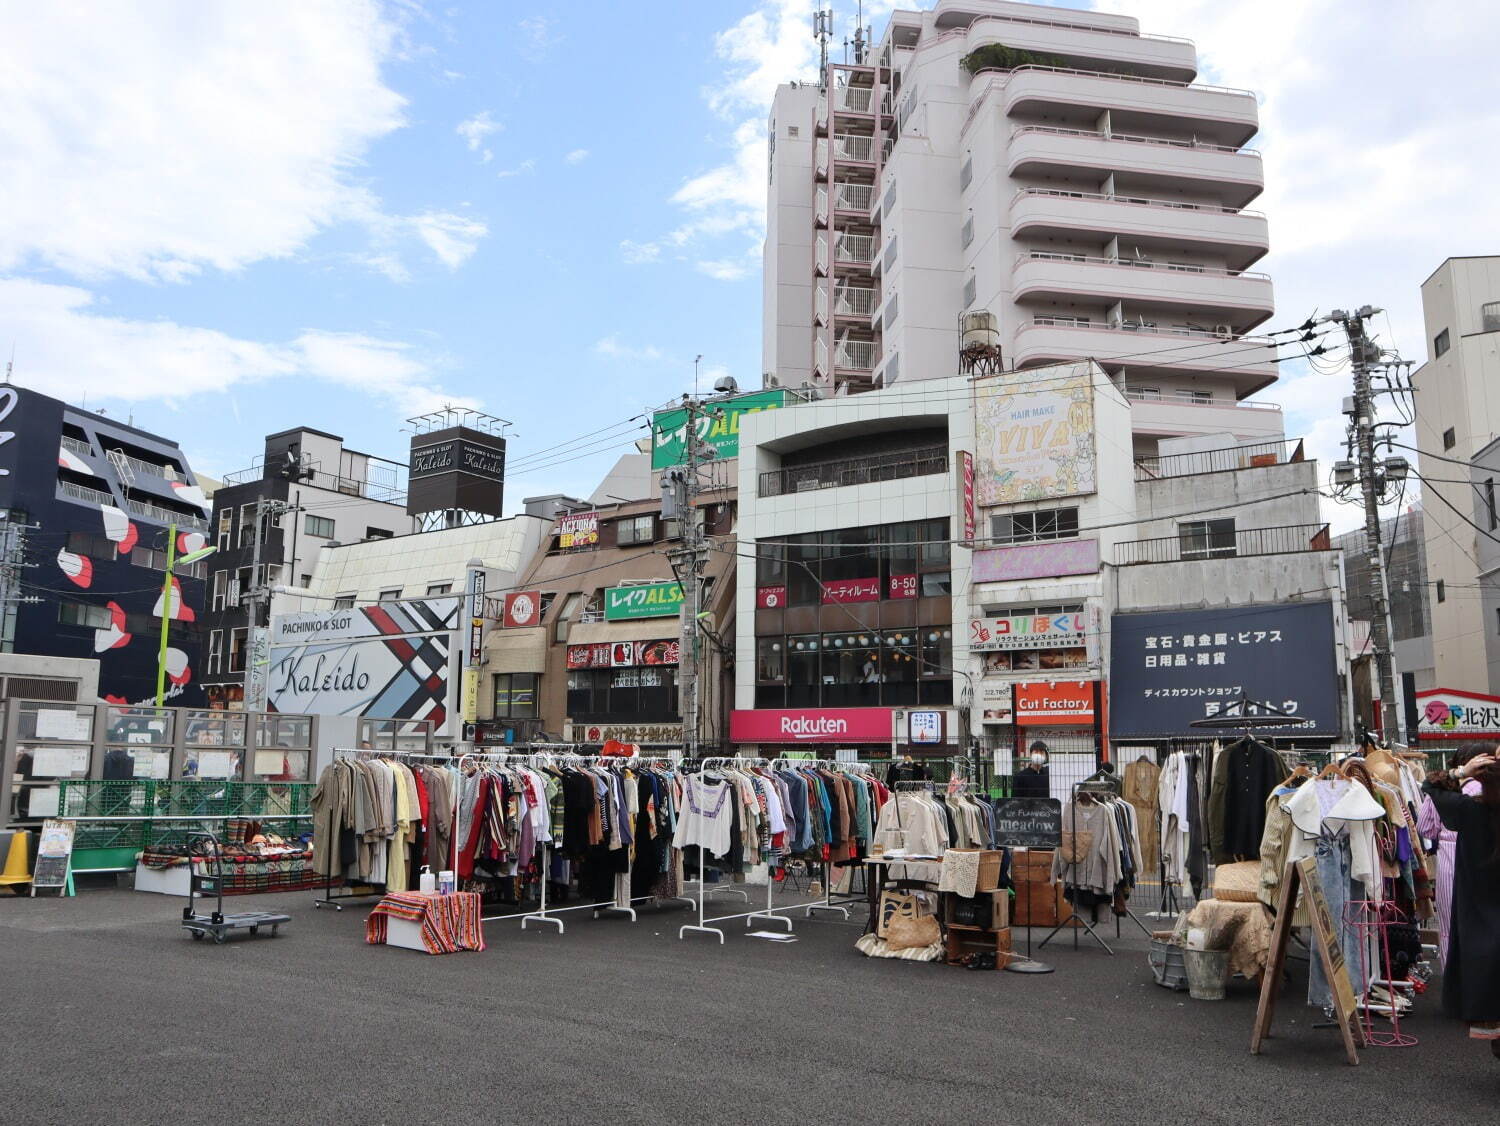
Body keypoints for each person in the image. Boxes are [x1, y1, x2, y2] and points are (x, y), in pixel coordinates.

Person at [1422, 746, 1500, 1059]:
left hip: (1480, 913)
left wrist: (1461, 771)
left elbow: (1429, 785)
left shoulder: (1470, 810)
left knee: (1487, 980)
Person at [1417, 744, 1484, 968]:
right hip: (1486, 857)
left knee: (1449, 926)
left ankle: (1454, 985)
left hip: (1450, 856)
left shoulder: (1445, 792)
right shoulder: (1491, 787)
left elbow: (1425, 827)